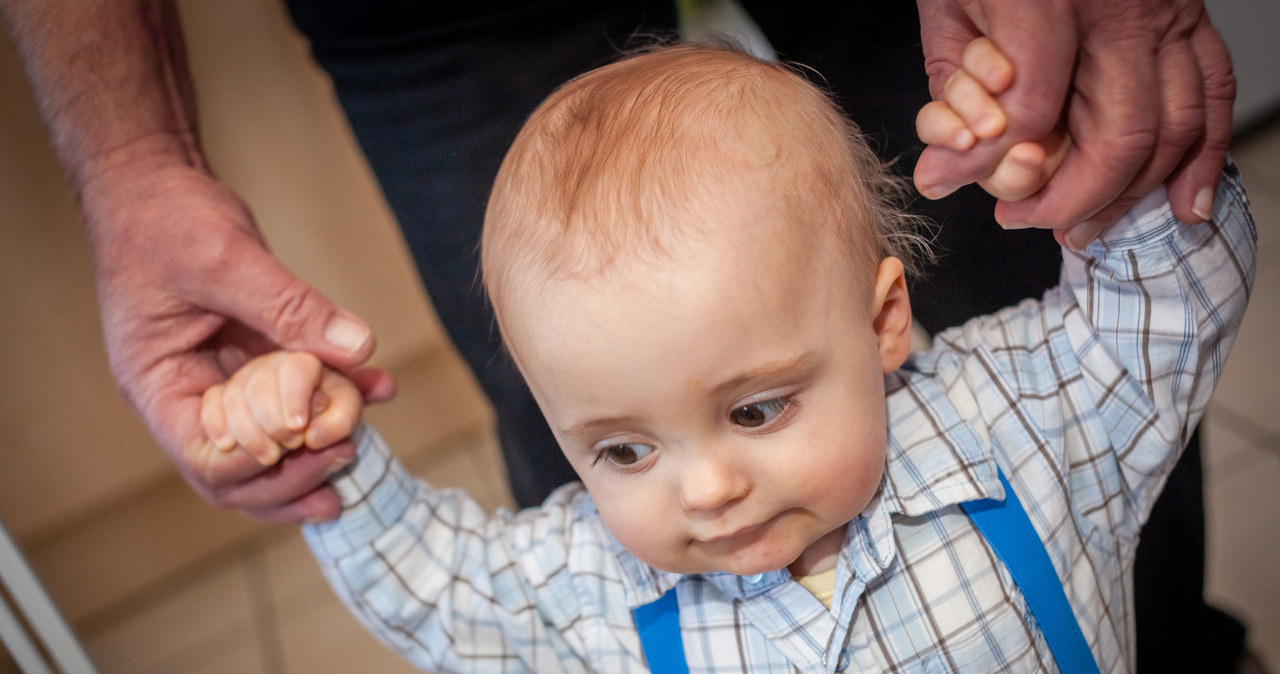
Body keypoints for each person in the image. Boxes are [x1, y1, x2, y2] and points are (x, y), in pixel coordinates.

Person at [200, 43, 1255, 671]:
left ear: (883, 318)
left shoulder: (1017, 424)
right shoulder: (595, 586)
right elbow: (445, 593)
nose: (703, 487)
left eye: (755, 408)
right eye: (619, 449)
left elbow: (1164, 308)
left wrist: (1098, 176)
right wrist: (326, 450)